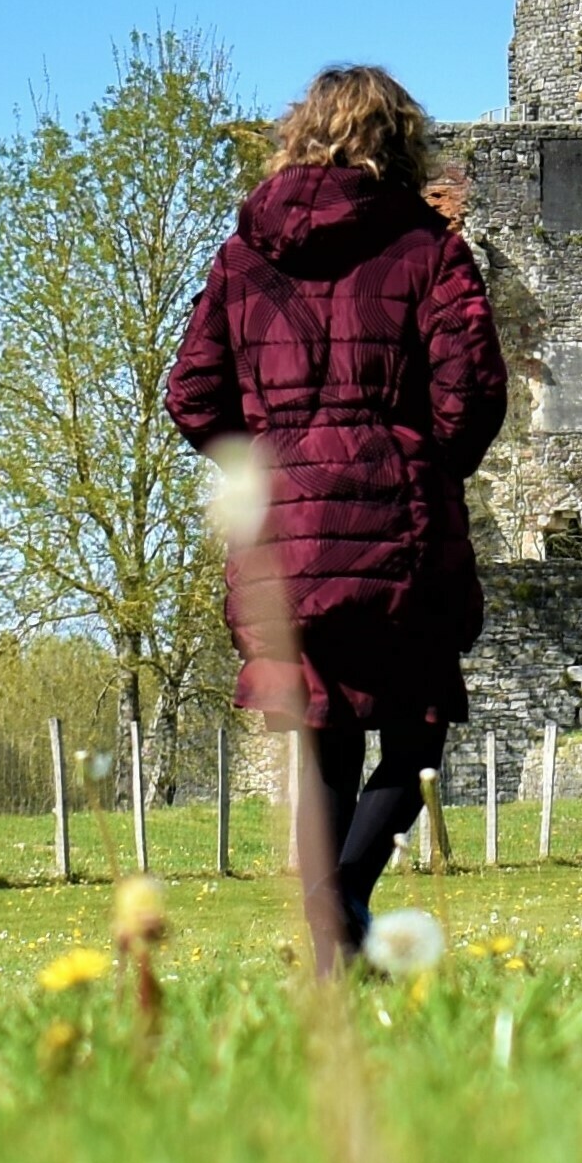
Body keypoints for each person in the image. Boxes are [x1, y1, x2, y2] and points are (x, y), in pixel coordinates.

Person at [166, 64, 507, 973]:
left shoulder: (245, 256)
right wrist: (415, 459)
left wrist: (270, 461)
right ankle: (340, 902)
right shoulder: (425, 250)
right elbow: (469, 394)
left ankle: (334, 941)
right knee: (416, 731)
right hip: (401, 524)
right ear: (398, 140)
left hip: (284, 531)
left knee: (322, 737)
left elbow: (193, 393)